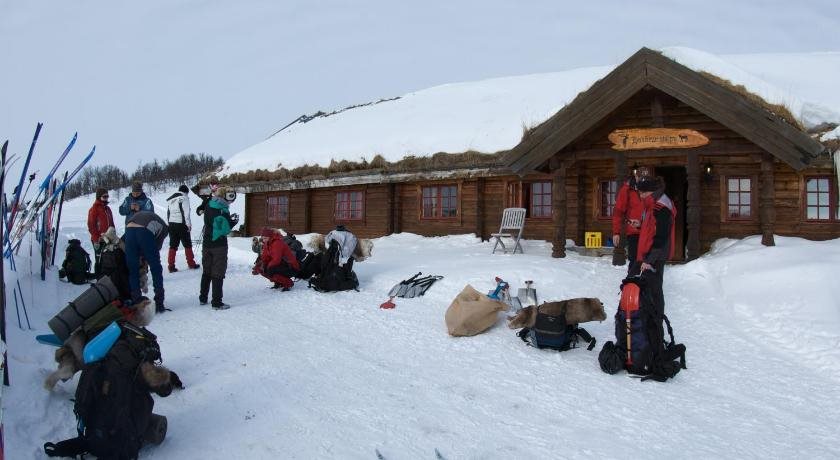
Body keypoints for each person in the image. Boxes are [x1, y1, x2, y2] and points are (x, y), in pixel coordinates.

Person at [631, 175, 676, 314]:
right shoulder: (651, 204)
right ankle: (646, 328)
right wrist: (640, 225)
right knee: (645, 292)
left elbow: (662, 236)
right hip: (647, 255)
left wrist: (649, 260)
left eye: (642, 192)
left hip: (654, 257)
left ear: (649, 191)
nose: (640, 195)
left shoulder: (661, 206)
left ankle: (655, 331)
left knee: (654, 294)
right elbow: (651, 228)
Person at [199, 186, 238, 310]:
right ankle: (216, 302)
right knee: (218, 273)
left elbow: (210, 222)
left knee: (206, 271)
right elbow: (224, 229)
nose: (231, 199)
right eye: (230, 195)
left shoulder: (209, 204)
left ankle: (203, 298)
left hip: (207, 243)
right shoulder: (223, 210)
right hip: (219, 244)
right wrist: (233, 222)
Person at [124, 211, 169, 313]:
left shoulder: (152, 217)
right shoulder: (165, 229)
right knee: (156, 267)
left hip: (129, 230)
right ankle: (159, 302)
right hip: (143, 231)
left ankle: (136, 301)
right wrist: (147, 260)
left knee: (133, 269)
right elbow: (156, 247)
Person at [612, 166, 650, 272]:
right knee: (635, 261)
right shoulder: (627, 190)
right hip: (634, 232)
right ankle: (631, 285)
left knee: (648, 261)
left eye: (645, 177)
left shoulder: (651, 189)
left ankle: (646, 286)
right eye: (640, 177)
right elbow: (618, 211)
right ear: (636, 176)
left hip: (649, 231)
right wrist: (616, 232)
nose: (643, 180)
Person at [166, 184, 199, 272]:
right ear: (186, 192)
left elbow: (168, 213)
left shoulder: (171, 199)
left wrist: (169, 224)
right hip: (181, 224)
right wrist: (188, 225)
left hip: (171, 224)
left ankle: (171, 266)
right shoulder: (184, 198)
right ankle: (191, 263)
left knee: (173, 245)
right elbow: (186, 213)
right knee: (187, 244)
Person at [87, 187, 115, 278]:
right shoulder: (94, 209)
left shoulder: (108, 209)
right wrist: (96, 239)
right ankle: (99, 278)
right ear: (99, 197)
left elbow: (111, 223)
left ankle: (107, 277)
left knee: (109, 257)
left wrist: (113, 233)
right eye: (104, 197)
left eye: (107, 196)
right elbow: (91, 225)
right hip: (99, 239)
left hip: (108, 238)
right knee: (99, 259)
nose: (106, 198)